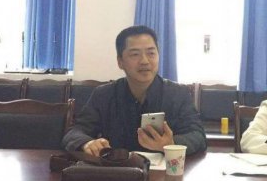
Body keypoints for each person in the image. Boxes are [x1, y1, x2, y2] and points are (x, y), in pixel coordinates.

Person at [62, 25, 207, 156]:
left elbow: (198, 136)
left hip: (164, 173)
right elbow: (75, 132)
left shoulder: (178, 94)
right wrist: (87, 143)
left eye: (151, 53)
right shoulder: (104, 94)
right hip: (117, 172)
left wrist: (171, 144)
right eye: (135, 54)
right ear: (120, 61)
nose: (144, 61)